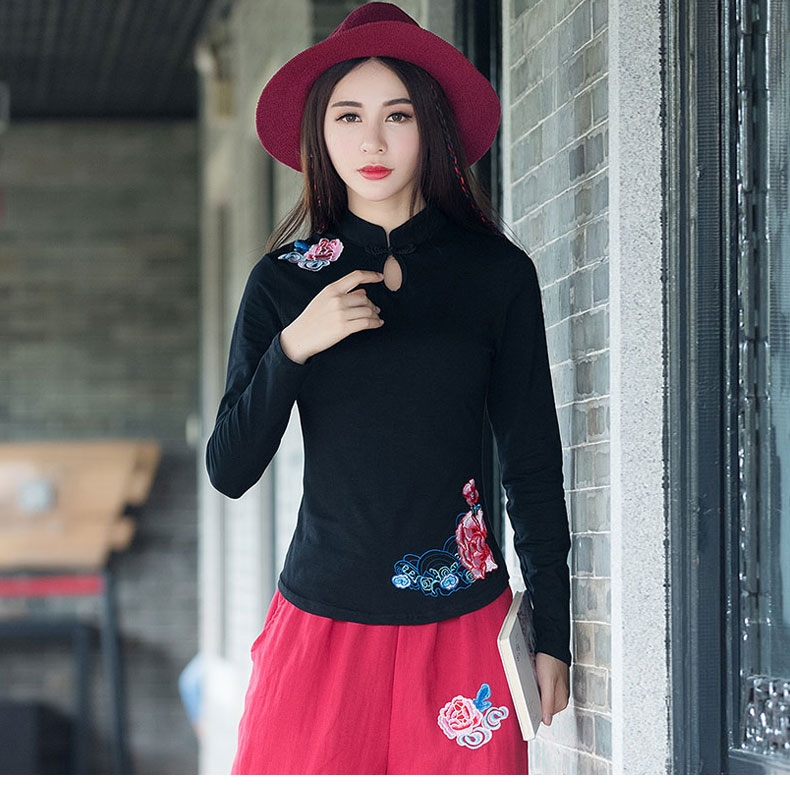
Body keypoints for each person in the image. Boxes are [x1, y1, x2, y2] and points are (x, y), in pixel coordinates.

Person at [206, 1, 571, 775]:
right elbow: (229, 469)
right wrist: (295, 344)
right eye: (348, 116)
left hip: (465, 630)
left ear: (431, 127)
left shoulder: (496, 275)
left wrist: (556, 635)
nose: (370, 141)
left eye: (396, 115)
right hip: (320, 622)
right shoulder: (283, 283)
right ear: (320, 131)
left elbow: (534, 465)